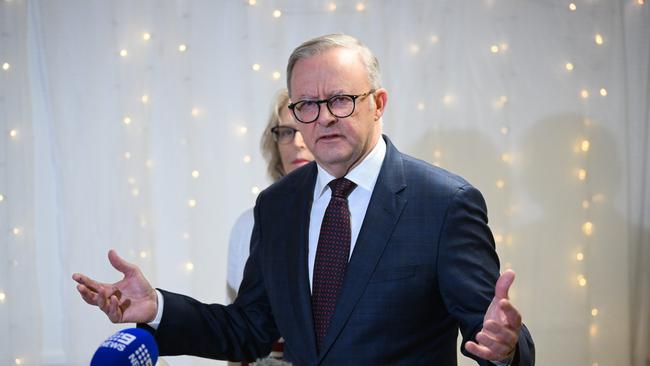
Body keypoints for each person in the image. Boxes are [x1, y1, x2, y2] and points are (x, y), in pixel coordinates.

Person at [73, 34, 535, 365]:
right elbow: (248, 330)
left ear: (378, 103)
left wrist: (506, 349)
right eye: (306, 106)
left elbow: (491, 333)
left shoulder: (445, 203)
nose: (323, 119)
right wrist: (157, 307)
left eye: (340, 100)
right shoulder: (276, 206)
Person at [227, 89, 315, 301]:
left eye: (305, 128)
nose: (297, 142)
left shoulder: (348, 214)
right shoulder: (248, 224)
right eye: (286, 132)